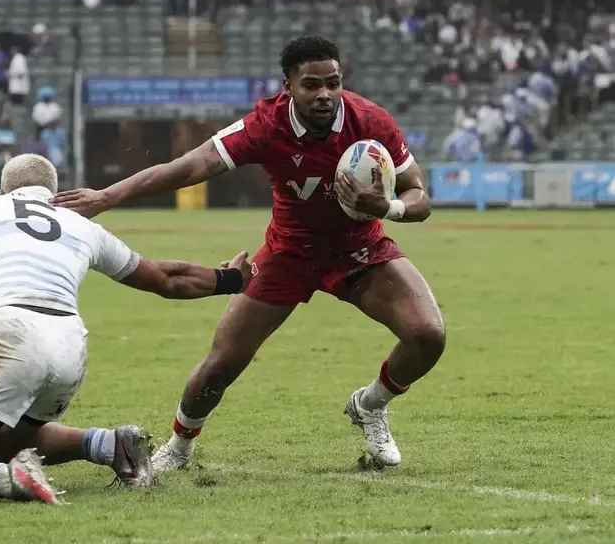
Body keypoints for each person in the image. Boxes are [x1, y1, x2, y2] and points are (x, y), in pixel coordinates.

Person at [52, 36, 445, 472]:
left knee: (428, 335)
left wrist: (386, 207)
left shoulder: (371, 121)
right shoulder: (266, 124)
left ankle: (370, 405)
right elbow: (191, 165)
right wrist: (107, 196)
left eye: (333, 83)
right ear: (288, 86)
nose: (324, 95)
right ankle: (180, 446)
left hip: (359, 248)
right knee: (222, 364)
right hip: (289, 253)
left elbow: (419, 196)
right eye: (311, 85)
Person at [0, 154, 253, 504]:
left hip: (9, 335)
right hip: (70, 346)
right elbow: (167, 279)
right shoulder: (80, 224)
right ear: (56, 192)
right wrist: (232, 279)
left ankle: (11, 478)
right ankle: (110, 445)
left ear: (2, 191)